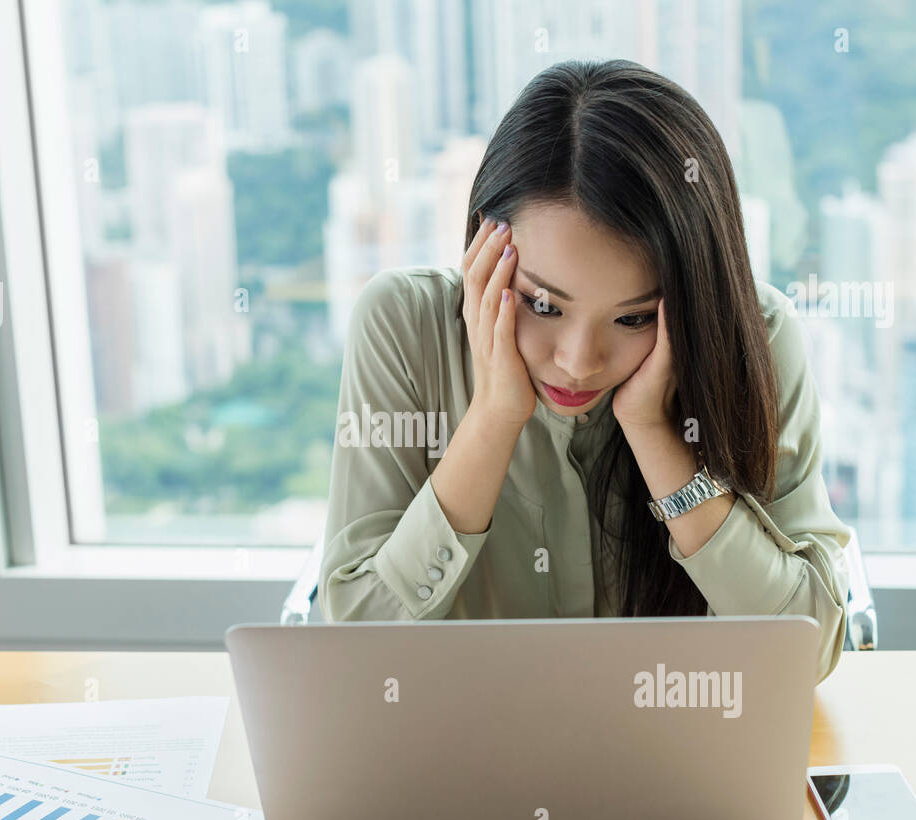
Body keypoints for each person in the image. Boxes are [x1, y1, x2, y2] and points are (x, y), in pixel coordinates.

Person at [319, 59, 852, 685]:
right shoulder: (404, 327)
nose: (578, 361)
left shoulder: (755, 337)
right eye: (543, 304)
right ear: (483, 252)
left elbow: (805, 650)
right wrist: (493, 416)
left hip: (673, 765)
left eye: (631, 319)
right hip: (461, 769)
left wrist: (655, 437)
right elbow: (355, 646)